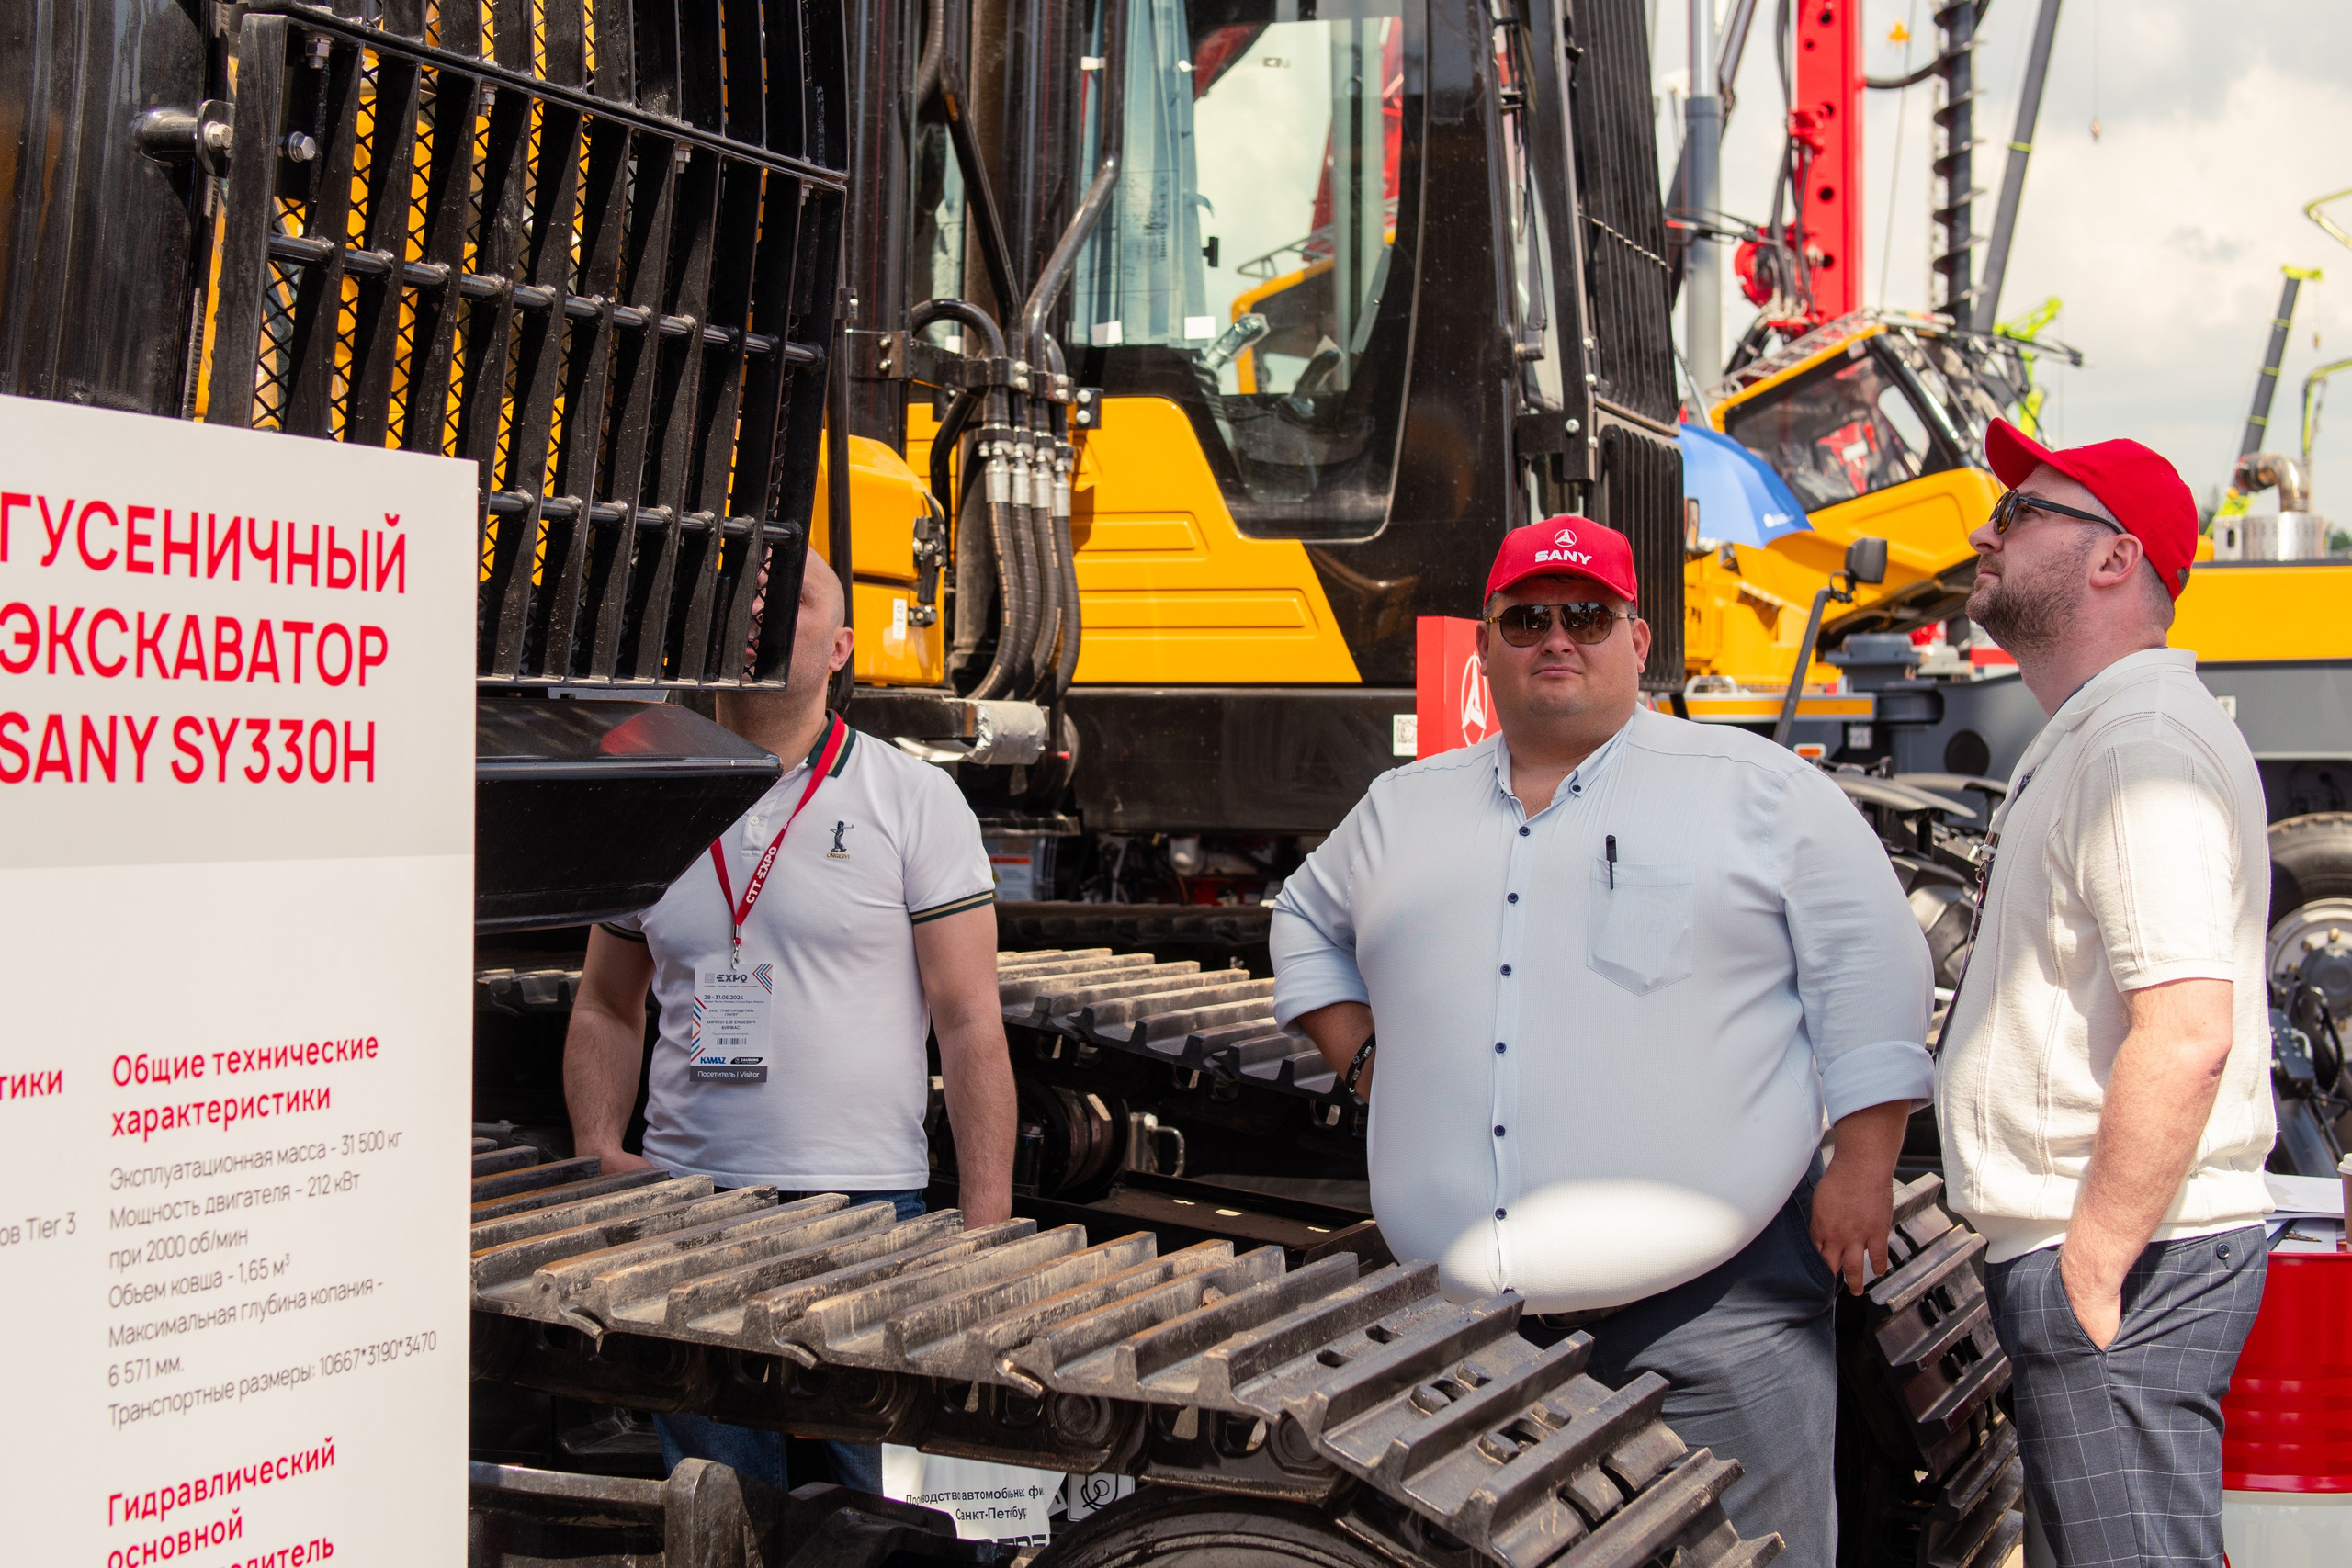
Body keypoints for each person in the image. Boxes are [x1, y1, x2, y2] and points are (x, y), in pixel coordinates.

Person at [1270, 515, 1935, 1566]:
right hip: (1470, 1340)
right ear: (1484, 645)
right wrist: (1358, 1054)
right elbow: (1303, 919)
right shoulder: (1402, 809)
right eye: (1524, 619)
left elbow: (1871, 968)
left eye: (1585, 616)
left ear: (1638, 639)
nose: (1555, 639)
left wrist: (1863, 1163)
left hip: (1713, 1320)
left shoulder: (1755, 788)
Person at [562, 559, 1017, 1494]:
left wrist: (985, 1230)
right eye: (740, 588)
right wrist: (596, 1144)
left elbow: (971, 1021)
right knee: (717, 1504)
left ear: (840, 647)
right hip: (686, 1210)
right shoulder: (649, 792)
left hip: (862, 1212)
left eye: (791, 597)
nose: (760, 608)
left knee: (886, 1511)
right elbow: (606, 999)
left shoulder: (909, 798)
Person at [1936, 422, 2274, 1568]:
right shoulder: (2108, 733)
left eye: (2020, 513)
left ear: (2113, 558)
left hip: (2128, 1262)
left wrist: (2087, 1267)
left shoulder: (2138, 746)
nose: (1984, 534)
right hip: (2124, 1253)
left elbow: (2185, 1034)